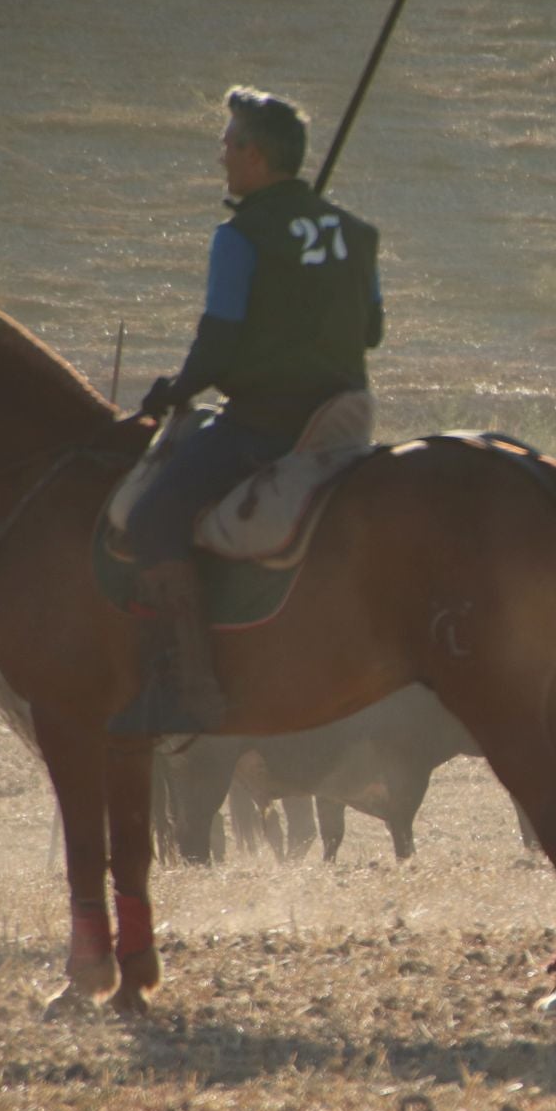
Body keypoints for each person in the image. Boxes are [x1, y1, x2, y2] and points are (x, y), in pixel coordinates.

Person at [111, 86, 384, 735]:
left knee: (153, 517)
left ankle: (190, 690)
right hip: (345, 421)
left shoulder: (239, 237)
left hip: (266, 427)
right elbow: (369, 332)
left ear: (257, 156)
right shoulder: (357, 233)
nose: (221, 158)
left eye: (229, 143)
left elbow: (219, 341)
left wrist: (174, 392)